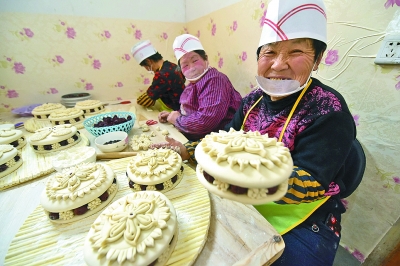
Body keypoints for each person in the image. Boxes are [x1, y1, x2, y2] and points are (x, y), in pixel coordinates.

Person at [224, 0, 356, 265]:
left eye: (295, 52)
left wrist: (241, 171)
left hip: (307, 219)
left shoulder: (329, 109)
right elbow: (224, 142)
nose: (278, 65)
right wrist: (189, 150)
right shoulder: (252, 100)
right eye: (269, 53)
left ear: (317, 60)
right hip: (246, 200)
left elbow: (311, 182)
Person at [156, 34, 242, 162]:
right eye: (185, 65)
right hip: (197, 141)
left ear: (206, 58)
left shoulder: (214, 80)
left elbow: (205, 122)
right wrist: (173, 114)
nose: (191, 67)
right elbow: (192, 110)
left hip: (220, 147)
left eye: (195, 60)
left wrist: (177, 120)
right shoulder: (193, 84)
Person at [131, 40, 185, 111]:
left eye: (145, 66)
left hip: (176, 110)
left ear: (149, 61)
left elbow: (147, 99)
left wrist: (137, 101)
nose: (147, 69)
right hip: (185, 104)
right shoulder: (173, 65)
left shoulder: (161, 75)